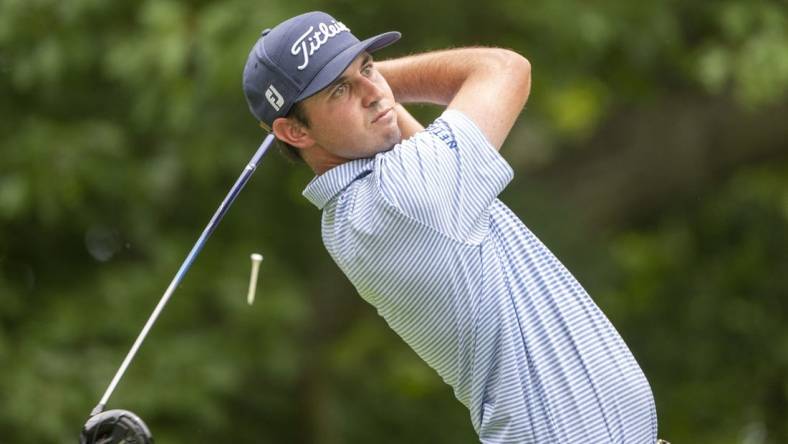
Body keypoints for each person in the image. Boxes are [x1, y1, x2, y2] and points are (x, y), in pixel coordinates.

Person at [242, 11, 661, 444]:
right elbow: (504, 69)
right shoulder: (404, 195)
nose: (373, 92)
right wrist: (384, 81)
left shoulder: (364, 206)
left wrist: (360, 87)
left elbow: (393, 126)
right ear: (293, 131)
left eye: (368, 66)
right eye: (340, 90)